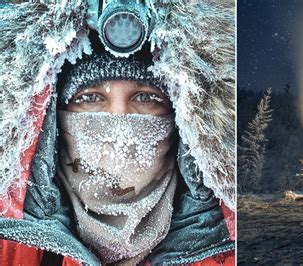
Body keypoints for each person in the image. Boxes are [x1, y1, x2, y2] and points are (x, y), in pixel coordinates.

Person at [0, 1, 235, 265]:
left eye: (146, 98)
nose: (118, 122)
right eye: (90, 98)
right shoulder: (9, 244)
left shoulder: (228, 247)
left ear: (183, 118)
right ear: (52, 121)